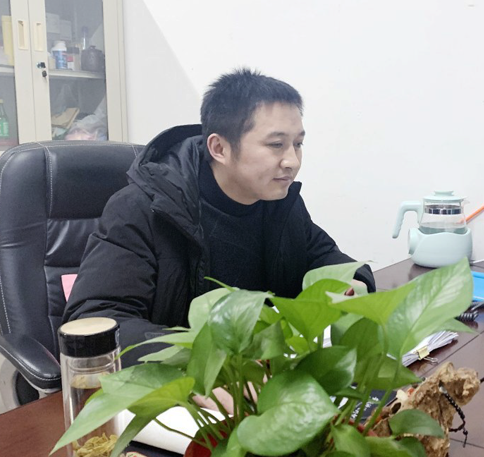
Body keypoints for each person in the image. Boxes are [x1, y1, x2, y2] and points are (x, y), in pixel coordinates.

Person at [63, 69, 375, 366]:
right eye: (276, 145)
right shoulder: (145, 208)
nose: (292, 161)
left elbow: (324, 256)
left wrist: (354, 284)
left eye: (298, 144)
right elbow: (95, 319)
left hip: (266, 379)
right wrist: (203, 362)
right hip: (185, 389)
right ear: (220, 148)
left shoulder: (279, 202)